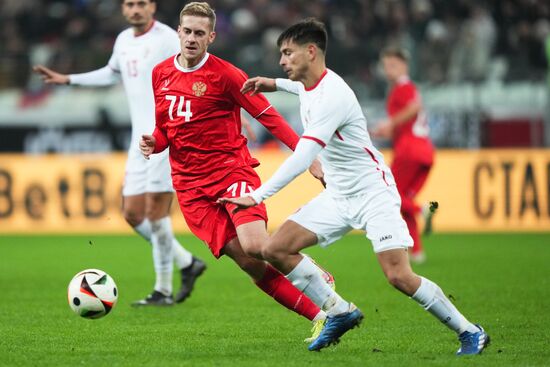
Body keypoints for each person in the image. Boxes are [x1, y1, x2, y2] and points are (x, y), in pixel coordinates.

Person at [221, 18, 489, 355]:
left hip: (372, 192)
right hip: (338, 195)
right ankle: (339, 311)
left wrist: (258, 196)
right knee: (276, 249)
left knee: (399, 277)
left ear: (311, 52)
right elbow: (296, 87)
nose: (282, 61)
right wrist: (270, 83)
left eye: (288, 53)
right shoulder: (308, 83)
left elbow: (304, 157)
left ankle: (469, 331)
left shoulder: (333, 96)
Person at [139, 2, 333, 341]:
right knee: (248, 262)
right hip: (191, 189)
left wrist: (308, 155)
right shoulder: (160, 74)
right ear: (179, 31)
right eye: (187, 31)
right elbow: (165, 130)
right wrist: (152, 143)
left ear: (211, 37)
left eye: (200, 33)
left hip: (231, 172)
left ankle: (307, 267)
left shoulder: (226, 74)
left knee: (256, 244)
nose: (191, 39)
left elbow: (267, 116)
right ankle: (319, 316)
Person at [33, 0, 206, 306]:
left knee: (155, 214)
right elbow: (111, 73)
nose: (135, 9)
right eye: (129, 4)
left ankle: (163, 291)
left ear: (152, 6)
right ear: (124, 9)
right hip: (137, 139)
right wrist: (69, 79)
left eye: (141, 3)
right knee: (132, 213)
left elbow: (199, 70)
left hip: (165, 136)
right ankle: (187, 263)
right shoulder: (123, 40)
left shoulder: (168, 38)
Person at [372, 46, 436, 263]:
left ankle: (423, 209)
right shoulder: (407, 87)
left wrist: (390, 122)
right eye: (386, 66)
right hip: (425, 151)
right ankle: (417, 252)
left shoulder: (403, 87)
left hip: (409, 150)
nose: (388, 70)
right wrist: (384, 129)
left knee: (390, 193)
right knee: (403, 199)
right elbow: (406, 118)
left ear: (404, 66)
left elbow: (414, 108)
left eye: (393, 65)